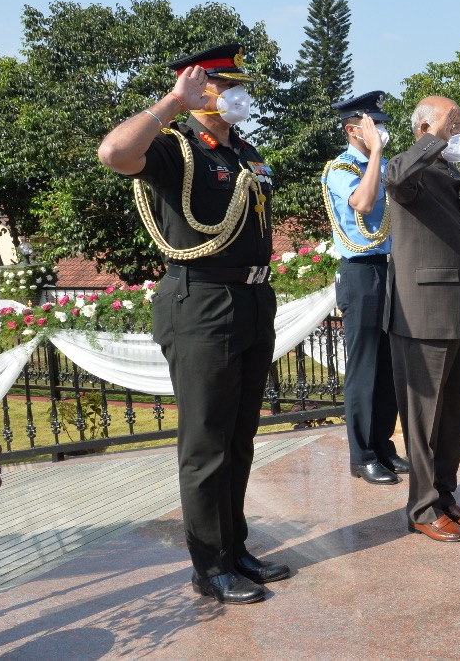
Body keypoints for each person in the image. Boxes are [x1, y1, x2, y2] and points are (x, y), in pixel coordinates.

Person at [97, 43, 289, 605]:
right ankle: (209, 566)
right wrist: (170, 104)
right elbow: (113, 153)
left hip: (253, 299)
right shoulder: (175, 148)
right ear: (200, 89)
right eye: (228, 86)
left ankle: (234, 549)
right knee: (206, 443)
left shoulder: (245, 153)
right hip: (201, 302)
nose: (239, 95)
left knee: (240, 438)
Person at [382, 95, 460, 542]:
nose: (459, 132)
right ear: (425, 128)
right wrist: (434, 135)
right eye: (453, 124)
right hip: (423, 314)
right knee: (424, 421)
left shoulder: (449, 170)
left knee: (453, 415)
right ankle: (422, 508)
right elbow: (395, 176)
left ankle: (444, 496)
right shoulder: (412, 170)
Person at [322, 90, 409, 485]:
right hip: (359, 272)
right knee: (364, 367)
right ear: (352, 129)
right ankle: (362, 455)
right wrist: (374, 154)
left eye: (382, 126)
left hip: (390, 269)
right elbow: (364, 201)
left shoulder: (386, 163)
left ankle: (384, 447)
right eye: (374, 126)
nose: (381, 133)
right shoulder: (341, 169)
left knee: (390, 367)